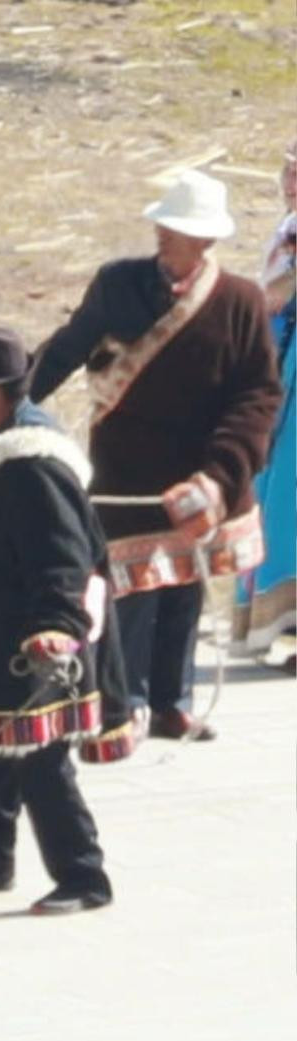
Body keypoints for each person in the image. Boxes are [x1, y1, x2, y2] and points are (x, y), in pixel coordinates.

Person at [30, 169, 281, 742]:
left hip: (201, 474)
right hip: (128, 471)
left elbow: (258, 394)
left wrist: (220, 478)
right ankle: (127, 699)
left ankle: (173, 701)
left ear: (205, 241)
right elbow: (70, 346)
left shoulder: (240, 302)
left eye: (176, 230)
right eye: (163, 227)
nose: (162, 238)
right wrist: (17, 408)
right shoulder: (118, 283)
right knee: (129, 589)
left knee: (185, 588)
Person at [0, 327, 134, 915]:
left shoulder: (31, 466)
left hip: (38, 635)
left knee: (41, 760)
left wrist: (56, 628)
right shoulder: (7, 441)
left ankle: (84, 875)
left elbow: (64, 556)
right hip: (3, 624)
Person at [231, 142, 296, 662]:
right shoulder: (285, 234)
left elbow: (272, 296)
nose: (289, 183)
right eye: (287, 172)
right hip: (280, 369)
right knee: (270, 491)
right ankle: (275, 620)